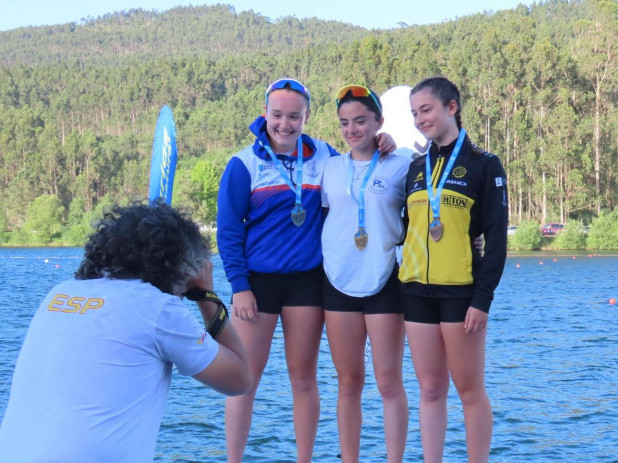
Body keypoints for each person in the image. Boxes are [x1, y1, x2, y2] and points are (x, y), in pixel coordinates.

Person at [216, 78, 395, 463]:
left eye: (294, 116)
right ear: (265, 113)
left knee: (303, 379)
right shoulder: (242, 164)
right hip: (256, 285)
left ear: (306, 117)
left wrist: (386, 142)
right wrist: (239, 286)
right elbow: (228, 233)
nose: (285, 124)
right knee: (244, 381)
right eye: (277, 115)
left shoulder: (326, 157)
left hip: (307, 283)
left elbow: (362, 160)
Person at [0, 202, 251, 462]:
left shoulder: (59, 293)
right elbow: (239, 379)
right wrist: (205, 295)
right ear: (183, 267)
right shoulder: (157, 309)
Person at [399, 76, 508, 463]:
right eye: (414, 113)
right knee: (429, 390)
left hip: (462, 293)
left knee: (469, 391)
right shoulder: (415, 166)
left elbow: (497, 242)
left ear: (451, 107)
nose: (419, 119)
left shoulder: (483, 164)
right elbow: (403, 230)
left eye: (426, 110)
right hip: (414, 292)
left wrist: (483, 300)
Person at [321, 85, 410, 463]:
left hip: (385, 279)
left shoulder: (401, 164)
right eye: (345, 123)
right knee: (348, 382)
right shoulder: (330, 167)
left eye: (360, 120)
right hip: (338, 280)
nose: (352, 129)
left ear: (379, 122)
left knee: (389, 383)